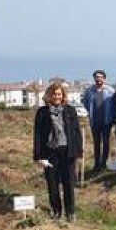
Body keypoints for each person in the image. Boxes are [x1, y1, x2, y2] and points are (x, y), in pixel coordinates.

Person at [33, 82, 83, 222]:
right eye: (54, 94)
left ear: (63, 96)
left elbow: (76, 132)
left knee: (68, 183)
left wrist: (78, 152)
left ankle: (70, 212)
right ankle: (56, 210)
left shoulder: (70, 110)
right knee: (52, 183)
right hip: (50, 152)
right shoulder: (42, 112)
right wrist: (38, 156)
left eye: (59, 94)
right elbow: (37, 135)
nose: (57, 97)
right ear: (49, 95)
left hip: (67, 151)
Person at [80, 70, 114, 172]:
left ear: (104, 78)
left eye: (100, 77)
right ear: (94, 78)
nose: (98, 79)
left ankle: (104, 163)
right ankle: (96, 164)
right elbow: (85, 102)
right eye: (96, 77)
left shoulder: (110, 91)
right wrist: (90, 112)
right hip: (94, 121)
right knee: (96, 143)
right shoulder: (90, 91)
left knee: (106, 142)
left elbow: (113, 104)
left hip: (106, 121)